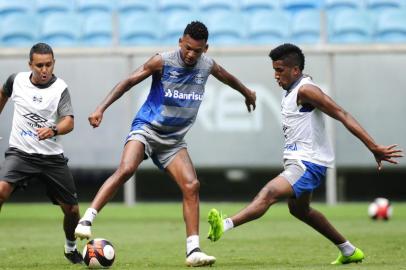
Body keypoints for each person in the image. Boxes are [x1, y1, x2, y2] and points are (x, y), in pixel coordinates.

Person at [74, 21, 256, 267]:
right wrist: (100, 108)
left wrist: (247, 93)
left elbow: (228, 78)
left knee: (192, 185)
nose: (191, 54)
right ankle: (87, 219)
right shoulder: (163, 61)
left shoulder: (207, 65)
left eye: (197, 50)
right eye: (188, 48)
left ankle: (193, 251)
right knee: (127, 168)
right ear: (181, 41)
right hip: (147, 129)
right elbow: (128, 81)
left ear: (206, 49)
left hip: (172, 140)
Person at [207, 43, 403, 265]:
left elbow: (341, 114)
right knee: (300, 210)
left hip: (308, 163)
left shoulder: (306, 90)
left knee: (269, 192)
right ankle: (349, 250)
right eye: (274, 70)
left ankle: (226, 224)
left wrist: (373, 146)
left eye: (280, 70)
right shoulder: (294, 88)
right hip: (299, 161)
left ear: (295, 70)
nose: (275, 75)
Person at [0, 43, 83, 264]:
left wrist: (54, 129)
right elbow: (3, 93)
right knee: (0, 191)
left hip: (51, 159)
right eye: (39, 65)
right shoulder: (15, 81)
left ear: (53, 63)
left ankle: (70, 247)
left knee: (73, 210)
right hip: (20, 153)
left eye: (48, 64)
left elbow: (69, 121)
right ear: (30, 65)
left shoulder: (60, 89)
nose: (44, 70)